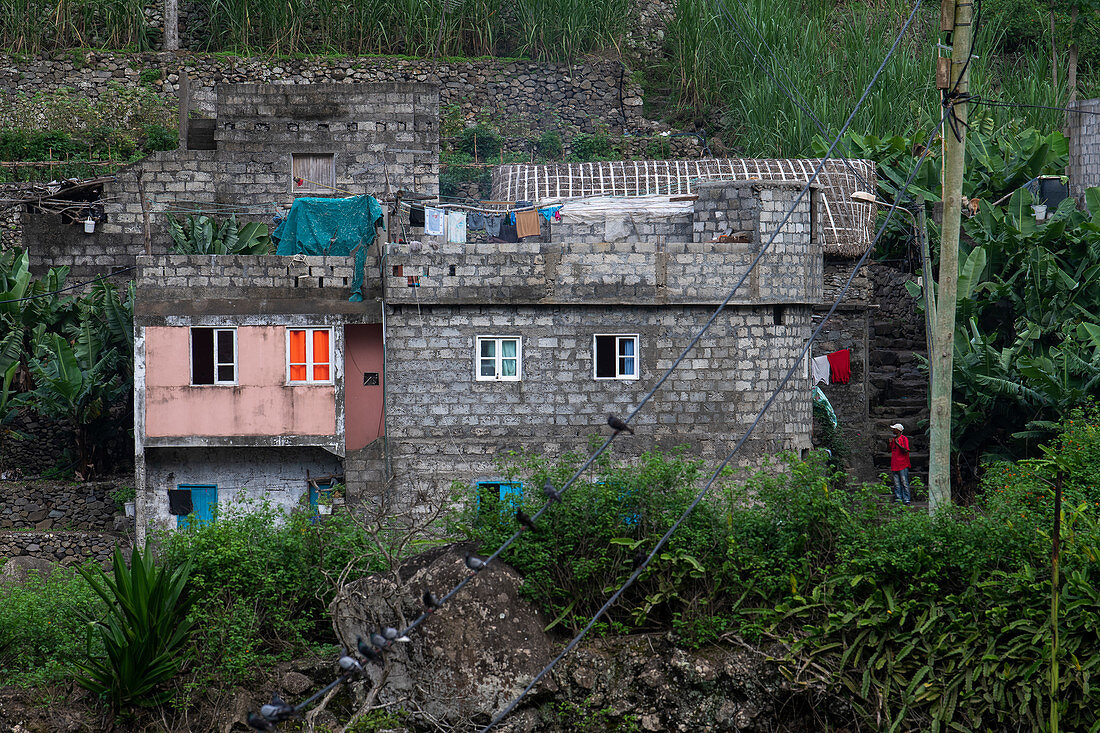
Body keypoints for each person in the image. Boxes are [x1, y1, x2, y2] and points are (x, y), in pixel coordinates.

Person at [888, 423, 911, 505]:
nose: (893, 430)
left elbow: (906, 450)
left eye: (894, 429)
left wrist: (898, 444)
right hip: (894, 464)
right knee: (896, 483)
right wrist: (890, 443)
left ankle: (906, 499)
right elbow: (890, 450)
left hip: (903, 464)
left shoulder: (904, 439)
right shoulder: (893, 439)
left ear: (898, 430)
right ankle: (898, 499)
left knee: (904, 482)